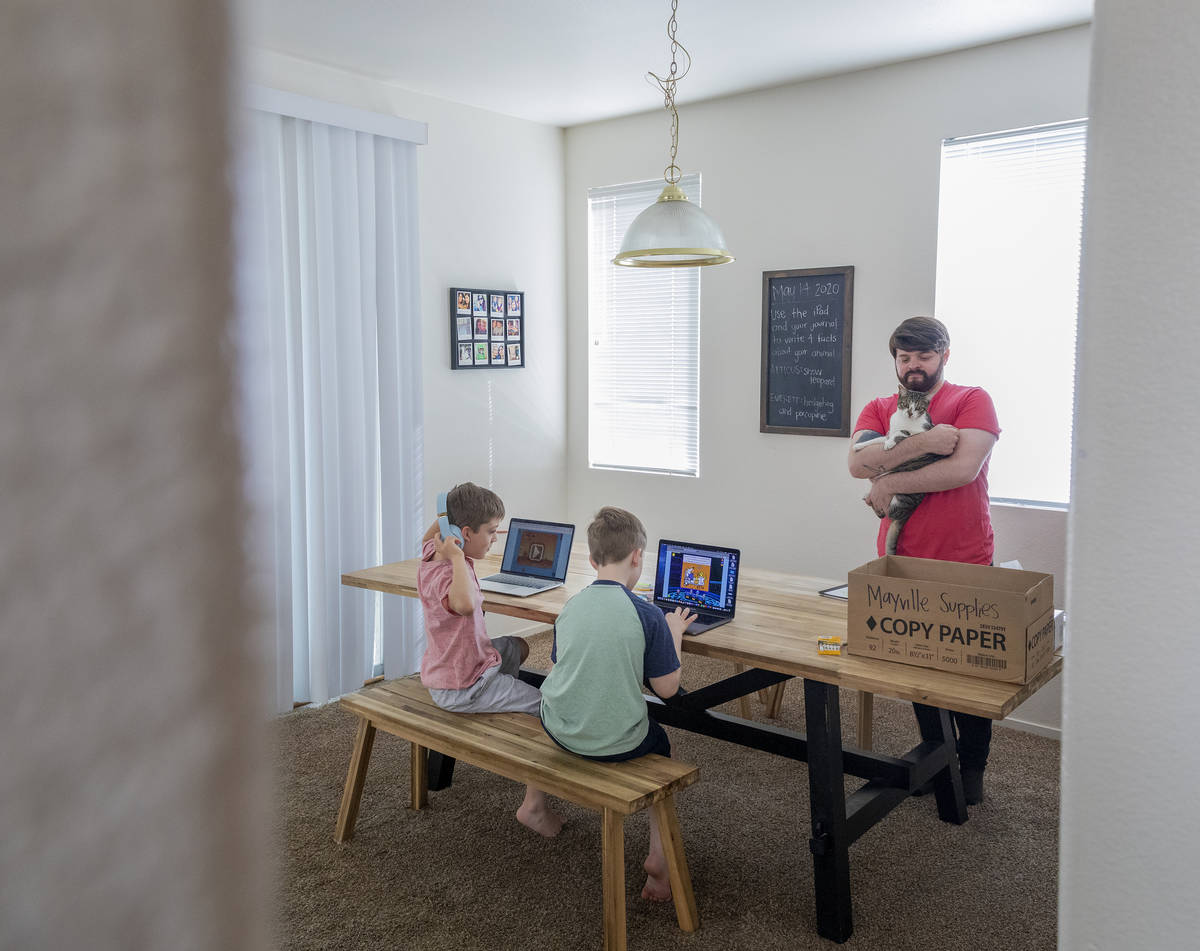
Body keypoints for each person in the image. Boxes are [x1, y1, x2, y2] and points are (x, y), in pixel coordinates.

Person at [847, 316, 1000, 805]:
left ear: (945, 356)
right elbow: (855, 464)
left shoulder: (972, 400)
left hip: (963, 557)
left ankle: (970, 768)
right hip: (899, 558)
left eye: (924, 357)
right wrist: (927, 443)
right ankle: (941, 760)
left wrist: (888, 479)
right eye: (905, 357)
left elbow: (962, 468)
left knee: (968, 671)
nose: (913, 366)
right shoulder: (877, 406)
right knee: (918, 668)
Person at [539, 507, 695, 901]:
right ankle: (659, 862)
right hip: (616, 745)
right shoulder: (649, 615)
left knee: (553, 699)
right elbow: (667, 688)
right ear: (638, 556)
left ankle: (533, 803)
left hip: (559, 729)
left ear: (592, 560)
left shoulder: (572, 605)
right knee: (662, 744)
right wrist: (673, 630)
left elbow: (560, 665)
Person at [417, 481, 563, 836]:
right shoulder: (452, 571)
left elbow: (438, 528)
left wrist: (447, 522)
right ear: (464, 533)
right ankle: (534, 807)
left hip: (458, 665)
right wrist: (456, 559)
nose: (495, 540)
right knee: (550, 708)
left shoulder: (428, 553)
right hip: (465, 687)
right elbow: (465, 604)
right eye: (491, 533)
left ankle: (512, 686)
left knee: (517, 647)